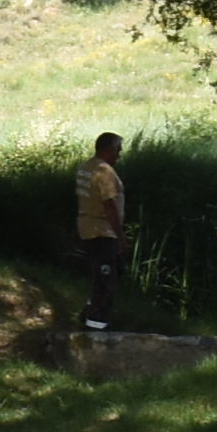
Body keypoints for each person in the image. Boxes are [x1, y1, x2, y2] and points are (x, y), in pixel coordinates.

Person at [76, 132, 129, 330]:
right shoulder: (104, 172)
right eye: (118, 150)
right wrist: (121, 236)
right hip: (102, 231)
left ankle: (90, 311)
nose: (119, 155)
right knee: (106, 278)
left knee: (109, 272)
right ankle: (97, 325)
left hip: (88, 228)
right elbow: (109, 205)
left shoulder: (86, 167)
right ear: (108, 150)